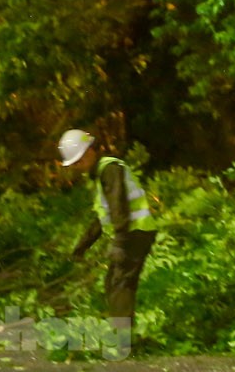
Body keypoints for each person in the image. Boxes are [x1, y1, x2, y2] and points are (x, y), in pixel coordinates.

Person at [59, 128, 158, 344]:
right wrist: (81, 247)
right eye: (74, 164)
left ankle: (123, 341)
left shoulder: (110, 169)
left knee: (120, 283)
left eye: (78, 161)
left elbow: (118, 205)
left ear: (89, 153)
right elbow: (102, 218)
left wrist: (120, 244)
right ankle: (123, 336)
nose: (77, 167)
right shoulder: (100, 174)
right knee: (113, 283)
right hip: (131, 232)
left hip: (136, 232)